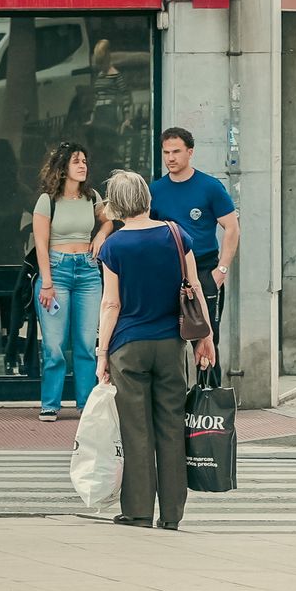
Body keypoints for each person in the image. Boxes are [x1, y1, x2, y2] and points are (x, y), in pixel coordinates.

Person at [95, 171, 216, 531]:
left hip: (128, 347)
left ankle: (137, 511)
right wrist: (204, 337)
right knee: (170, 427)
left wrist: (102, 353)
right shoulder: (177, 235)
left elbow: (111, 304)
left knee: (136, 431)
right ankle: (173, 513)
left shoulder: (112, 247)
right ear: (147, 198)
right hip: (170, 344)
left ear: (115, 205)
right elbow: (194, 287)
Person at [149, 127, 239, 383]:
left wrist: (221, 270)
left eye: (176, 151)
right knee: (168, 340)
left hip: (204, 268)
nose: (170, 158)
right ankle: (177, 406)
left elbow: (232, 228)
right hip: (167, 273)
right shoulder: (155, 190)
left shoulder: (209, 187)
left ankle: (210, 409)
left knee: (207, 341)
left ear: (190, 152)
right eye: (166, 152)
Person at [31, 142, 113, 422]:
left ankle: (85, 405)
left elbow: (108, 221)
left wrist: (101, 234)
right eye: (76, 161)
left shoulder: (92, 197)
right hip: (57, 270)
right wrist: (46, 282)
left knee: (86, 343)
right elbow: (41, 244)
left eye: (84, 162)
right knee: (54, 345)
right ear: (63, 167)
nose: (82, 166)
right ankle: (50, 403)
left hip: (88, 272)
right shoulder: (47, 200)